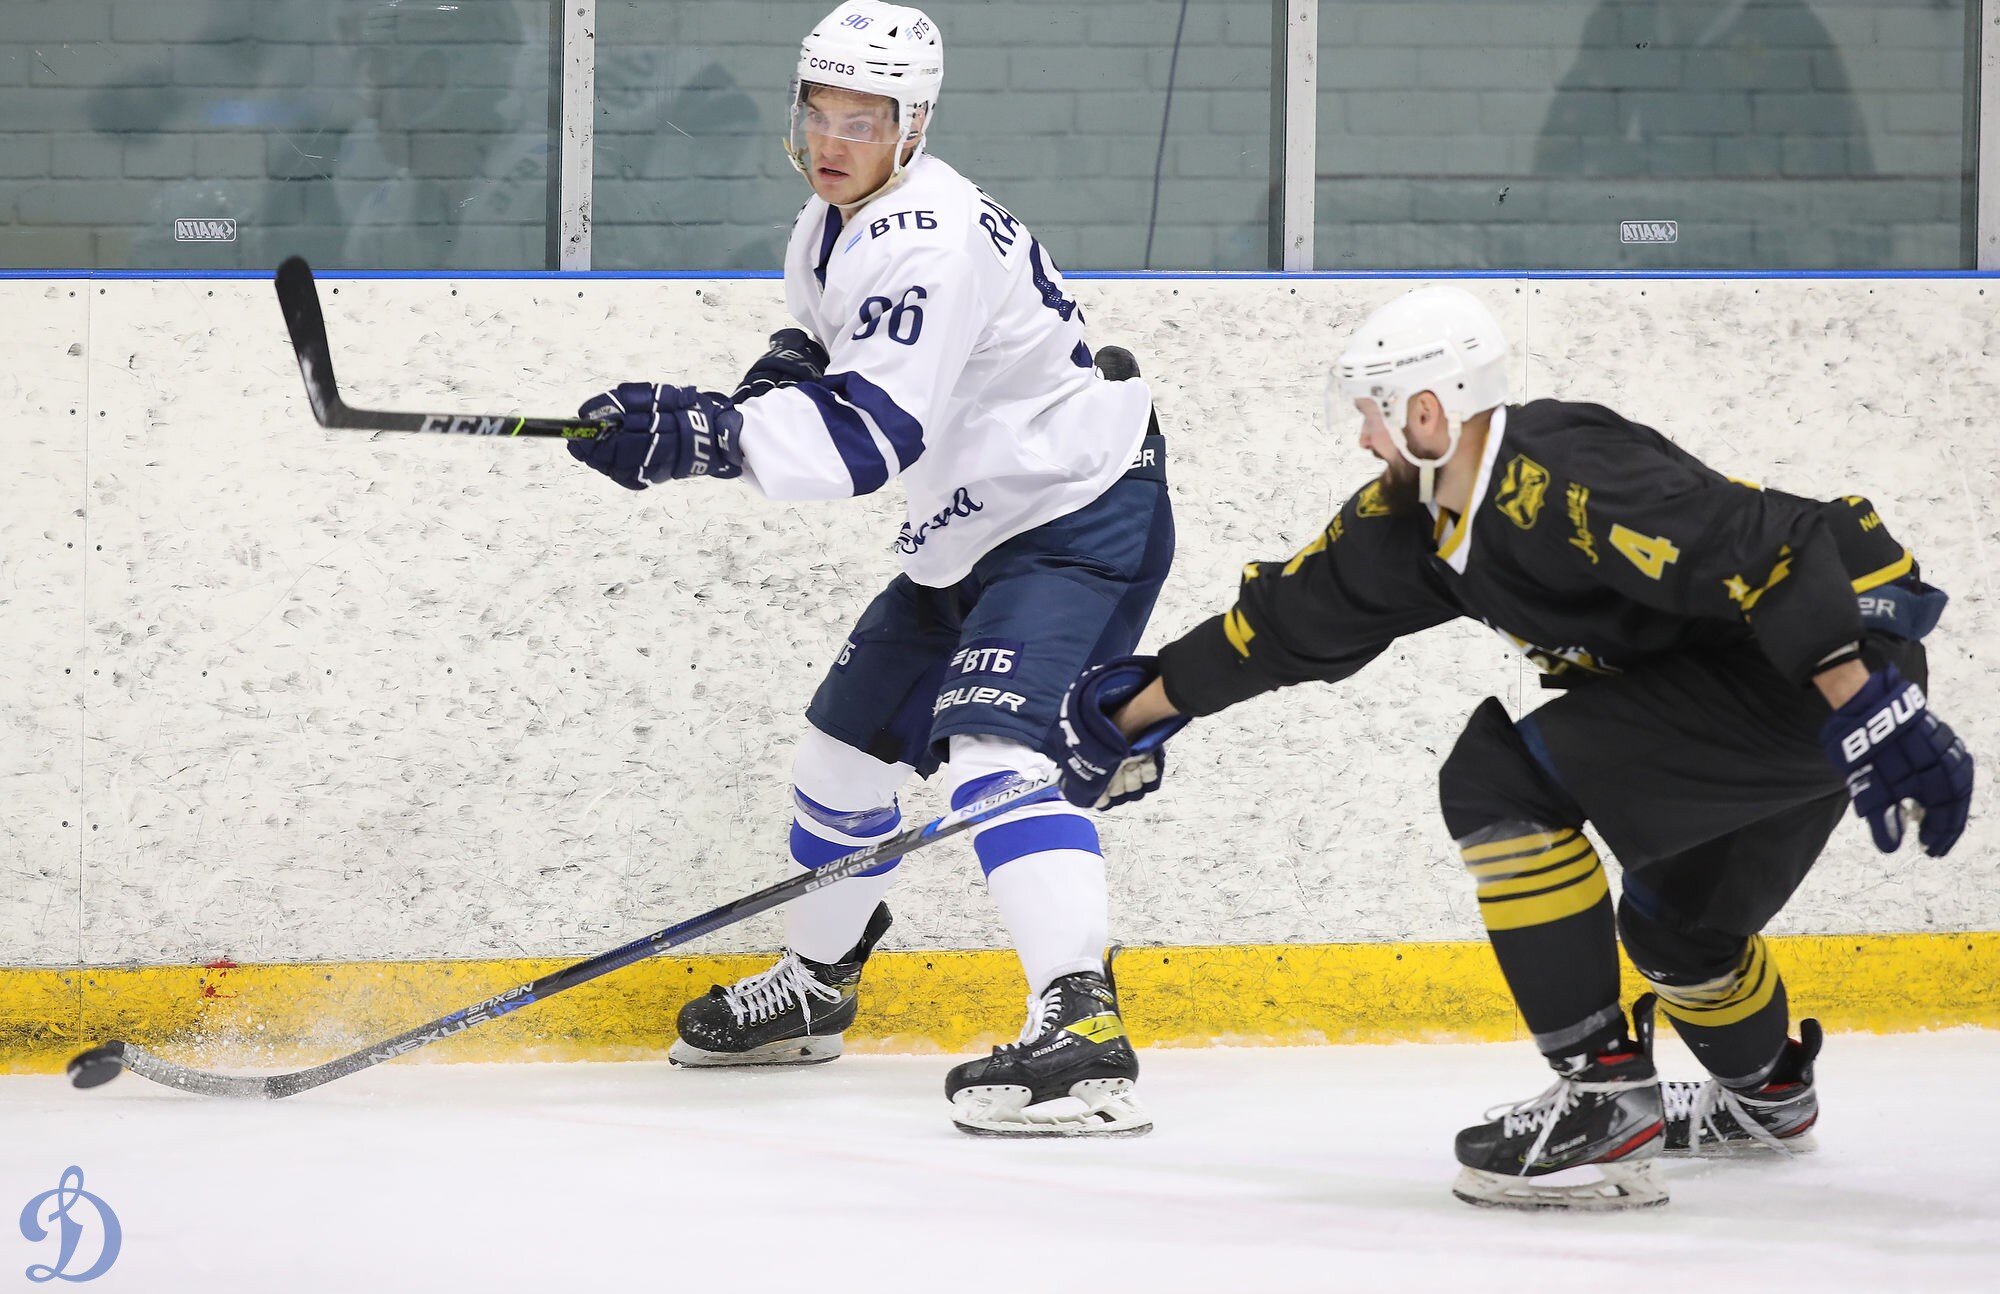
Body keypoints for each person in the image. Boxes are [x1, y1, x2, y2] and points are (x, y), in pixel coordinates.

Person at [1054, 284, 1973, 1204]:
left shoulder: (1564, 469)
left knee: (1500, 782)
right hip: (1803, 690)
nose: (1364, 438)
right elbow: (1286, 623)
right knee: (1678, 932)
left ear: (1425, 411)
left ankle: (1604, 1097)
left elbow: (1776, 547)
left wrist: (1867, 701)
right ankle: (1769, 1097)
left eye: (1372, 414)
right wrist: (1134, 717)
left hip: (1824, 663)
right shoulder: (1416, 524)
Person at [567, 0, 1172, 1138]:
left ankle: (1083, 1028)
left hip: (1075, 511)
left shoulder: (925, 239)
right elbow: (818, 346)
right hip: (970, 523)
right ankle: (817, 984)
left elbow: (867, 439)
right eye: (819, 112)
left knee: (993, 753)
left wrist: (707, 438)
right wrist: (741, 400)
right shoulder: (830, 220)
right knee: (839, 758)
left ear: (913, 125)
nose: (834, 139)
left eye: (865, 119)